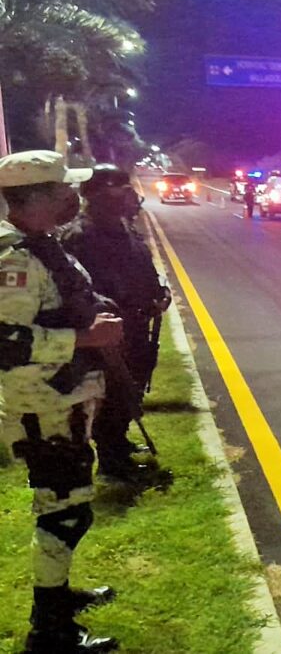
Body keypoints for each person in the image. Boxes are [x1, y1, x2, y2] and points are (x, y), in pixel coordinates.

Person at [0, 150, 122, 652]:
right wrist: (84, 340)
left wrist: (95, 311)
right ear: (38, 197)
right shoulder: (14, 259)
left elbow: (58, 306)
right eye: (64, 190)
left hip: (61, 398)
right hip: (40, 405)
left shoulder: (40, 245)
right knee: (64, 512)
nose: (74, 198)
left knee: (67, 504)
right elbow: (6, 342)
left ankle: (58, 596)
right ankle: (49, 631)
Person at [60, 164, 172, 488]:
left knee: (130, 389)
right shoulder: (80, 236)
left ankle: (119, 446)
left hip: (135, 326)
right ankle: (112, 465)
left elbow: (142, 266)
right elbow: (78, 290)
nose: (128, 194)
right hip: (107, 332)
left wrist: (158, 293)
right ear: (95, 195)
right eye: (118, 188)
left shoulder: (123, 229)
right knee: (110, 395)